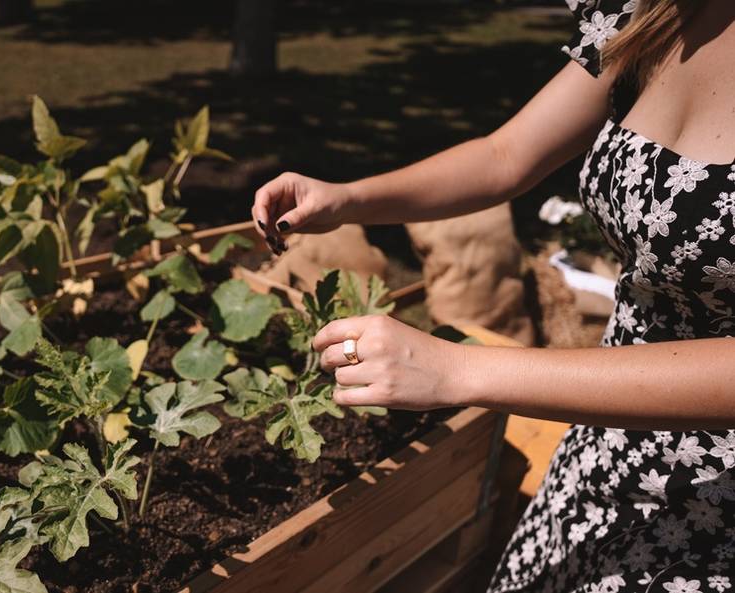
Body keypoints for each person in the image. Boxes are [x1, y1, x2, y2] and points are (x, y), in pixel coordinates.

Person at [251, 0, 735, 591]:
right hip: (608, 429)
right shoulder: (654, 15)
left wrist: (460, 369)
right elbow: (505, 157)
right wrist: (348, 199)